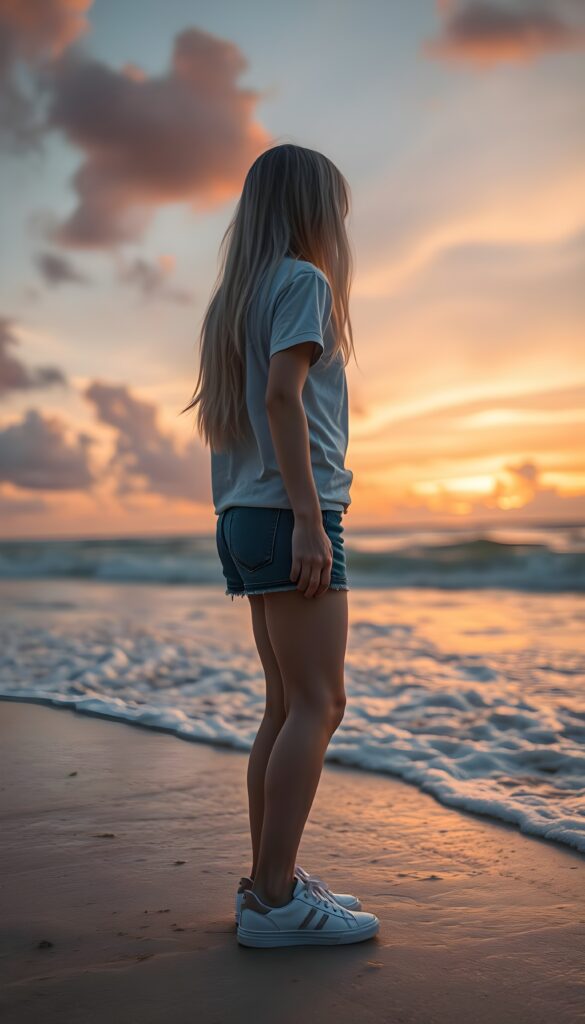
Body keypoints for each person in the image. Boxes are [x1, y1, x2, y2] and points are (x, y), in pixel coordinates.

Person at [182, 142, 379, 948]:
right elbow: (280, 397)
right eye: (334, 207)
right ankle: (273, 900)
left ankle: (269, 886)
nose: (339, 224)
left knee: (284, 705)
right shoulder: (304, 281)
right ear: (311, 210)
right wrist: (306, 517)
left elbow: (251, 407)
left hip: (242, 515)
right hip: (285, 514)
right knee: (319, 703)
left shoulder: (237, 297)